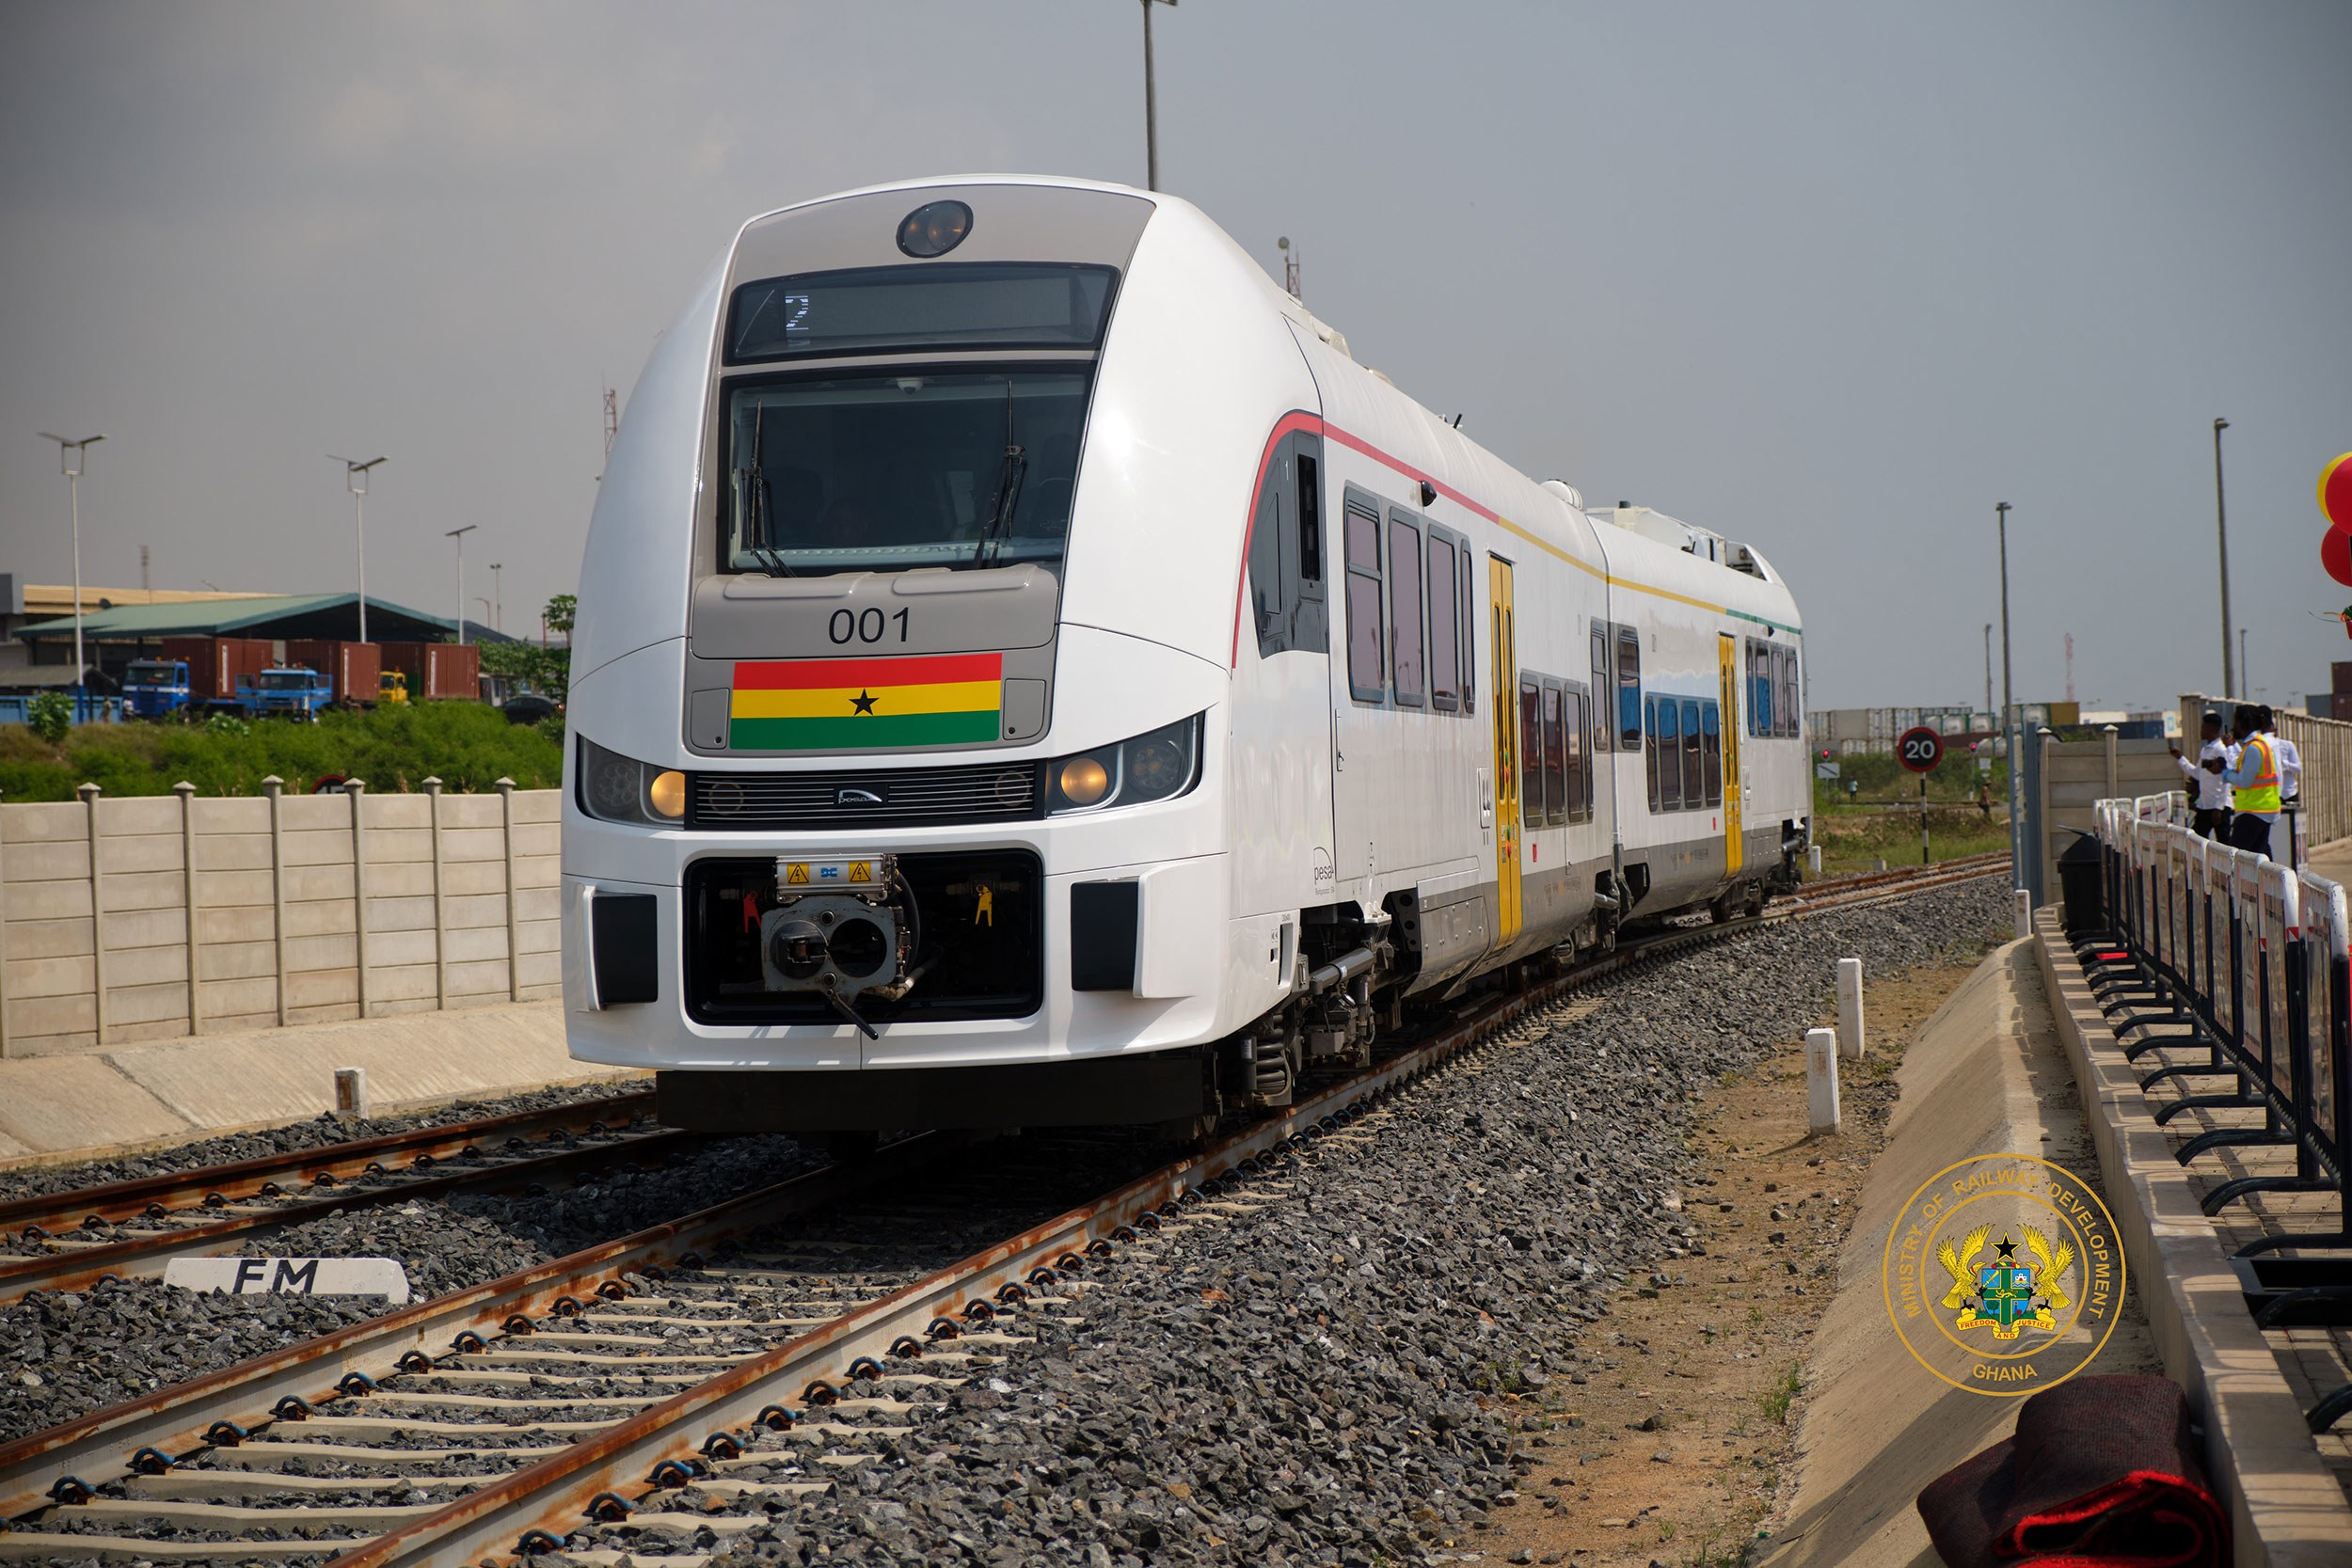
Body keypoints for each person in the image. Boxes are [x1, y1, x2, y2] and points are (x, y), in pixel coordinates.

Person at [2223, 703, 2281, 859]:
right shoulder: (2256, 745)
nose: (2233, 726)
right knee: (2260, 857)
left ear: (2243, 723)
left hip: (2254, 811)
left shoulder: (2255, 748)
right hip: (2261, 809)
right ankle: (2273, 883)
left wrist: (2224, 774)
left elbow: (2244, 781)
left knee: (2235, 857)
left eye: (2235, 721)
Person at [2168, 711, 2234, 840]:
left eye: (2203, 727)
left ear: (2211, 728)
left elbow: (2226, 779)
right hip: (2205, 805)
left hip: (2219, 807)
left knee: (2224, 843)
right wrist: (2180, 758)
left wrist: (2219, 808)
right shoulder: (2205, 750)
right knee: (2195, 841)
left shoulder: (2220, 749)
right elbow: (2197, 774)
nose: (2201, 730)